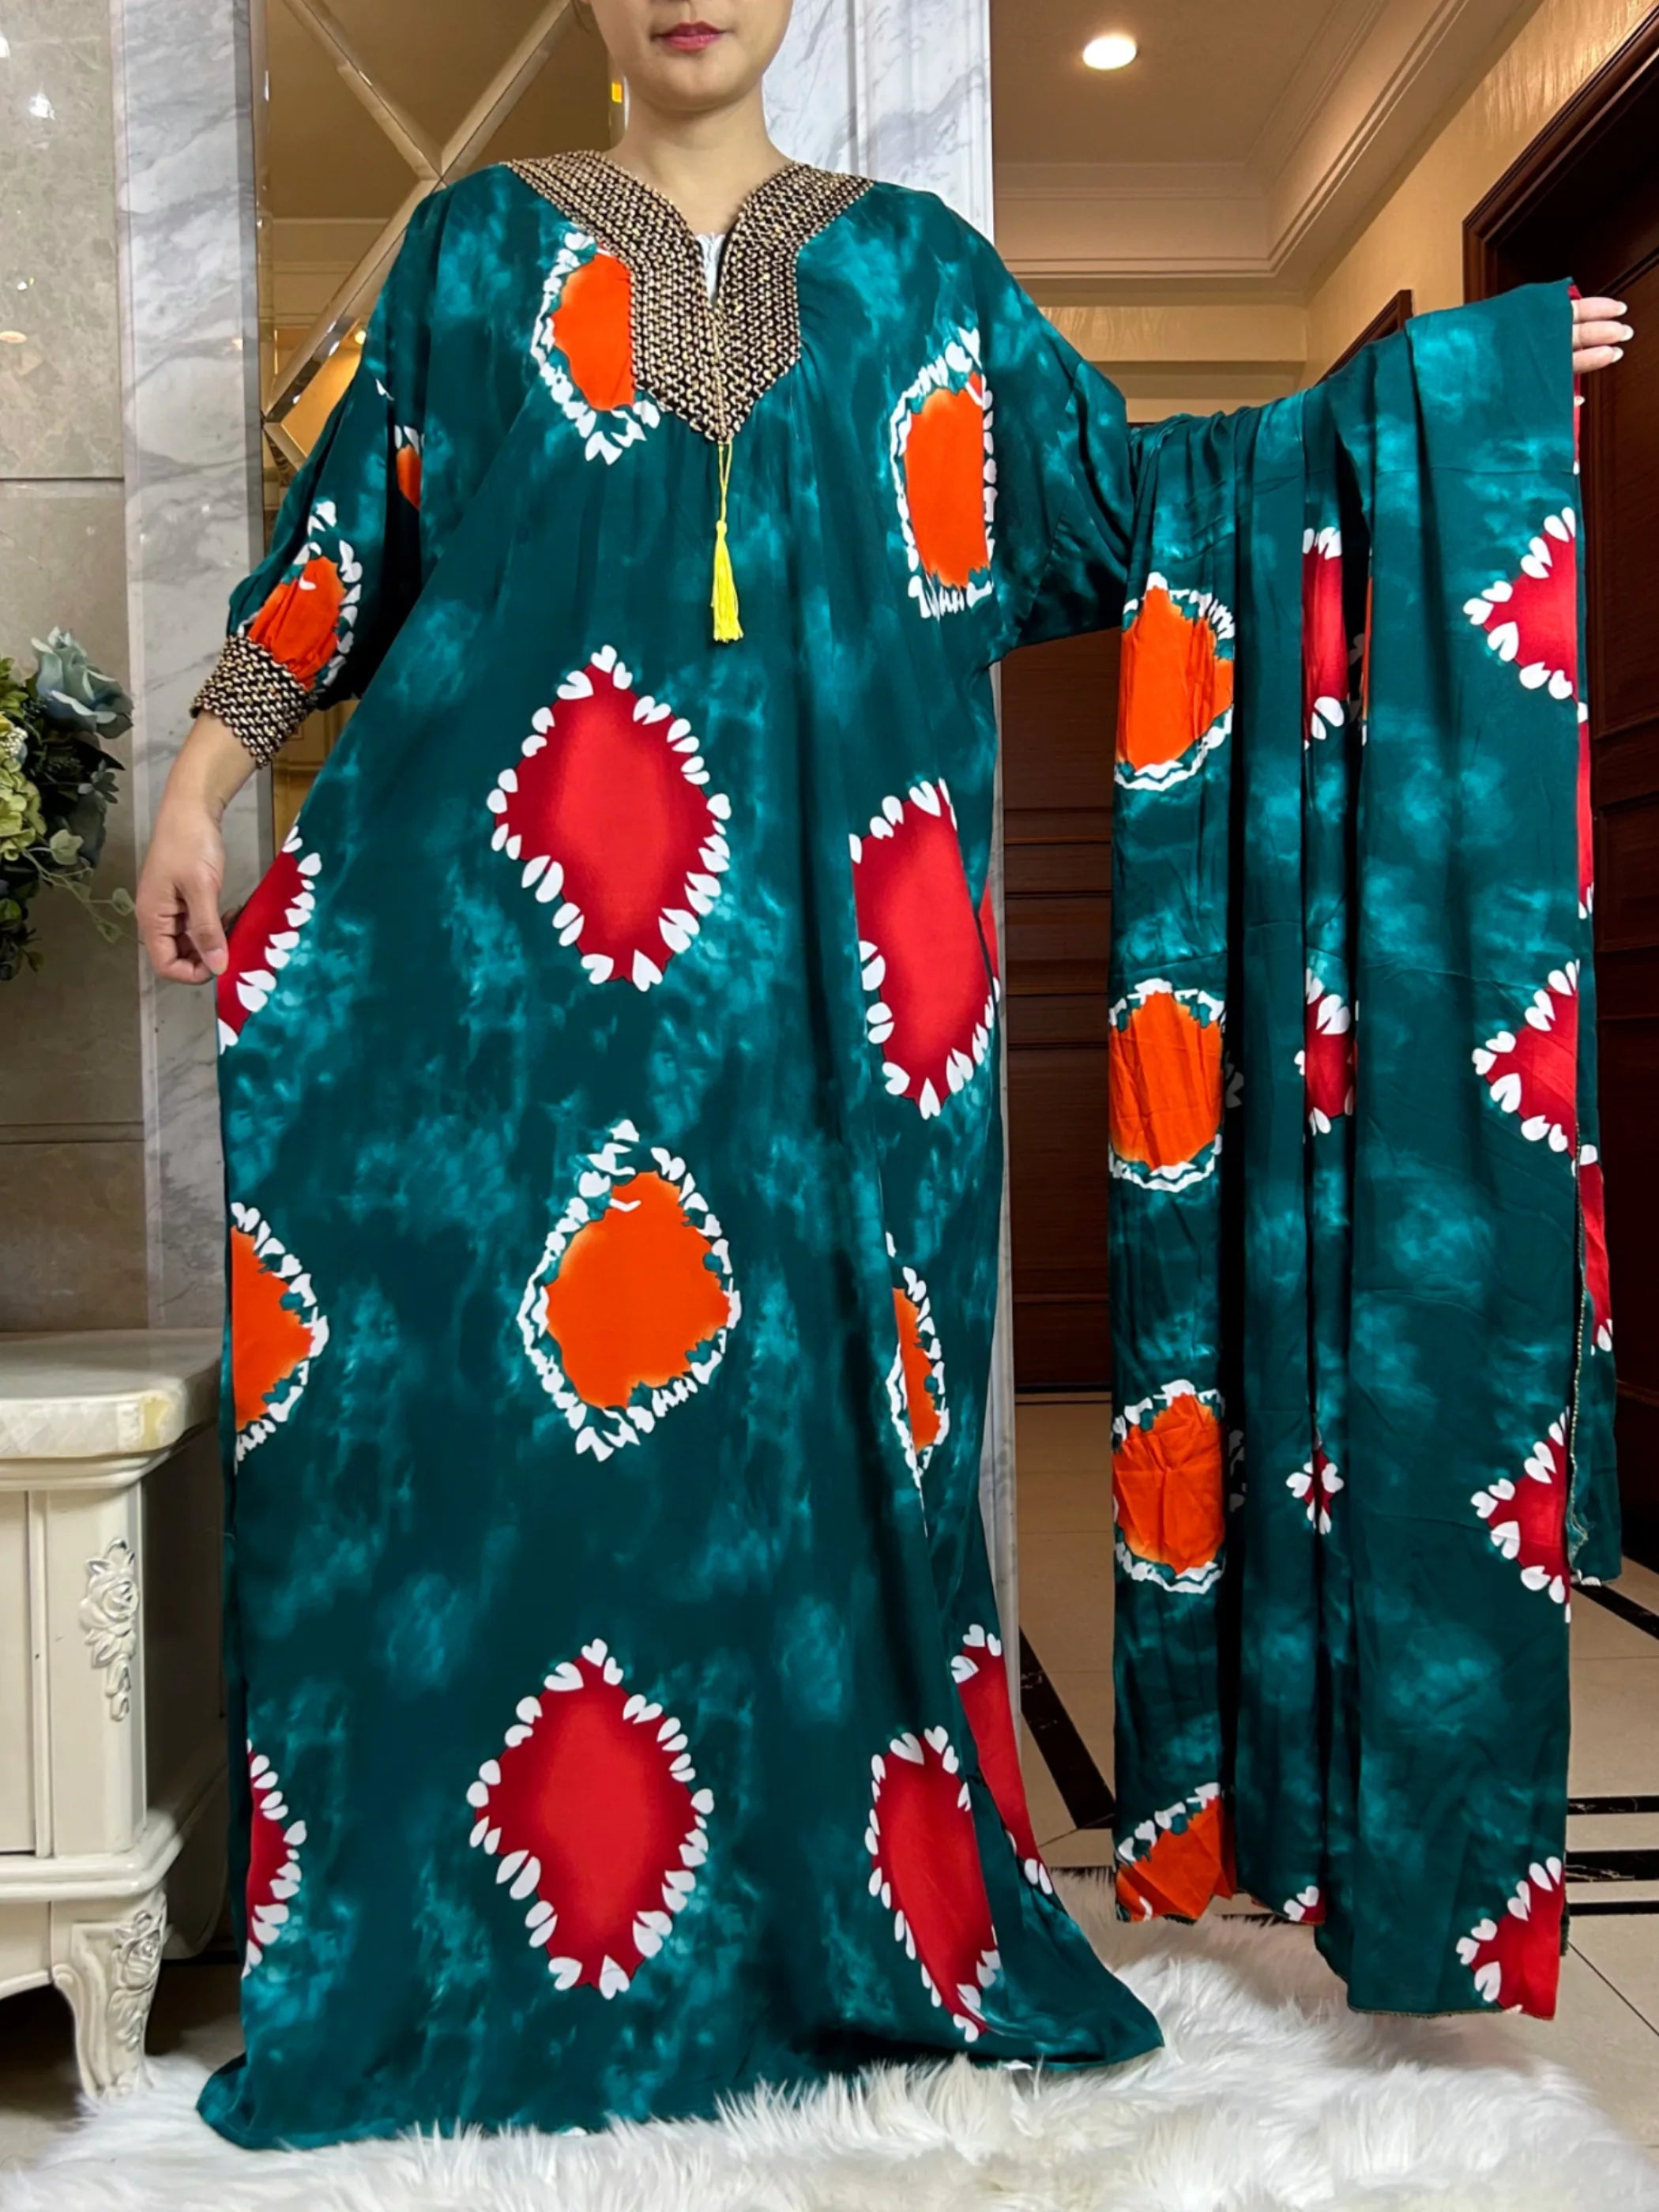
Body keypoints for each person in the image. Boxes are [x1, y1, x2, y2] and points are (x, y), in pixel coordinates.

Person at [135, 0, 1631, 2151]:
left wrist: (1438, 404)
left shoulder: (923, 272)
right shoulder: (474, 249)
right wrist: (204, 784)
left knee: (841, 1445)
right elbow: (344, 549)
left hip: (860, 1000)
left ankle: (846, 1922)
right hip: (514, 1006)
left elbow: (1138, 504)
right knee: (517, 1448)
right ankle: (494, 1944)